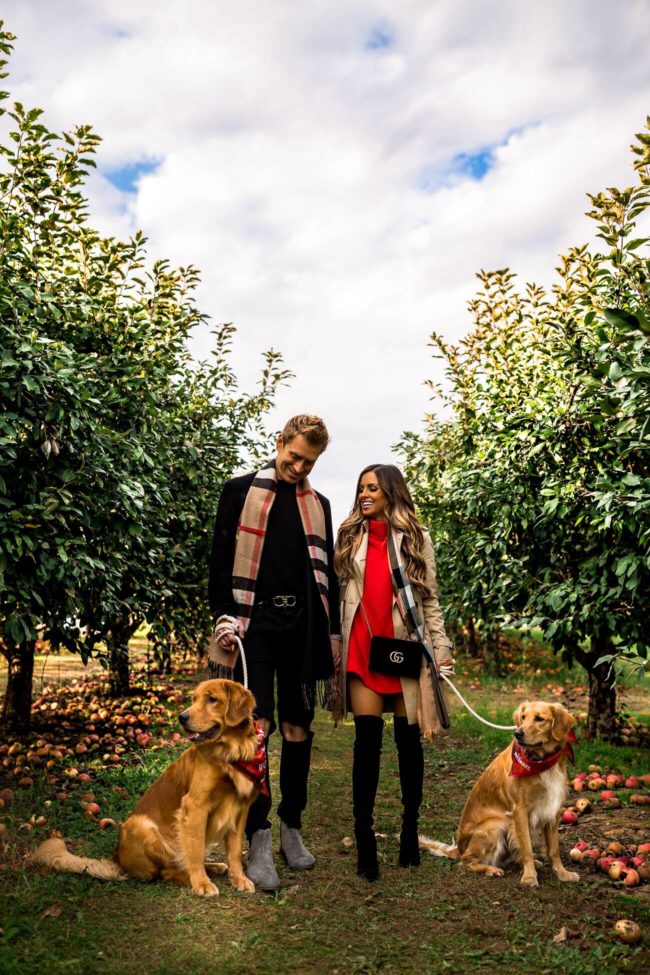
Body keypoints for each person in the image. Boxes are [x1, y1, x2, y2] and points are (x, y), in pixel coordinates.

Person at [208, 415, 340, 891]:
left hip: (302, 628)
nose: (299, 466)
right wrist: (223, 613)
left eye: (309, 461)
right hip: (254, 625)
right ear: (279, 442)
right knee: (256, 727)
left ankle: (291, 825)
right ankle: (258, 834)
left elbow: (330, 576)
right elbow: (221, 560)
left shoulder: (319, 505)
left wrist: (331, 632)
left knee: (298, 725)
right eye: (294, 455)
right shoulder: (239, 491)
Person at [334, 464, 453, 881]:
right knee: (367, 743)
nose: (364, 495)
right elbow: (337, 596)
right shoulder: (350, 536)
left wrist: (441, 649)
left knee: (408, 744)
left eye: (372, 488)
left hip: (404, 650)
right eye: (360, 488)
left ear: (390, 492)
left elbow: (431, 600)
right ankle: (365, 840)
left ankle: (409, 831)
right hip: (364, 650)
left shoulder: (417, 540)